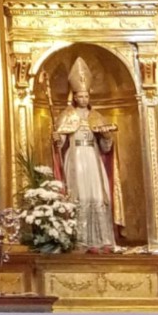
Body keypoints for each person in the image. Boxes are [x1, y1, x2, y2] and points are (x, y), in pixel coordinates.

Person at [51, 57, 119, 252]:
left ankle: (101, 239)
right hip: (76, 157)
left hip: (92, 157)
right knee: (79, 195)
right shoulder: (67, 115)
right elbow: (61, 143)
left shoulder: (96, 116)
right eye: (80, 96)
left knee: (97, 196)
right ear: (74, 96)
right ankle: (80, 239)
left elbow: (106, 147)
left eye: (86, 96)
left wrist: (106, 137)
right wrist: (58, 138)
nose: (83, 100)